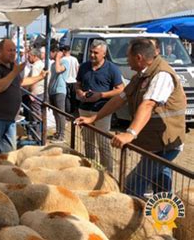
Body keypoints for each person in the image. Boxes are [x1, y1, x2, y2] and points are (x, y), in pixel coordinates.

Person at [75, 38, 186, 197]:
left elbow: (148, 104)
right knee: (161, 185)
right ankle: (162, 219)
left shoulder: (161, 75)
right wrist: (94, 118)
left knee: (133, 185)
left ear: (139, 57)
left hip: (166, 142)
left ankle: (133, 218)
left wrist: (130, 133)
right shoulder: (141, 76)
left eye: (128, 56)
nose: (126, 60)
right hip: (155, 142)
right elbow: (120, 98)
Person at [0, 39, 47, 156]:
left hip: (9, 118)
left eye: (14, 50)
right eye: (9, 50)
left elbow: (20, 82)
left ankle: (4, 173)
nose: (13, 53)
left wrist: (40, 77)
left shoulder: (11, 67)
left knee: (9, 155)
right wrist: (15, 72)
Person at [75, 39, 124, 172]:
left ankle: (107, 172)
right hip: (84, 109)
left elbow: (120, 89)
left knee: (103, 143)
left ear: (104, 53)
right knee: (88, 142)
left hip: (102, 111)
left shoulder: (112, 68)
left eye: (95, 53)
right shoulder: (84, 66)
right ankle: (91, 169)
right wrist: (79, 92)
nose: (92, 55)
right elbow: (77, 83)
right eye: (91, 52)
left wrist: (101, 95)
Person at [22, 46, 46, 140]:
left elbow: (34, 80)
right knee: (39, 114)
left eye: (29, 56)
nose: (28, 58)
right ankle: (39, 135)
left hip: (36, 93)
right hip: (41, 92)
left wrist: (31, 93)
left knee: (35, 115)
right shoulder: (42, 64)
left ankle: (37, 136)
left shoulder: (36, 66)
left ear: (35, 56)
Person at [48, 45, 69, 143]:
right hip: (52, 90)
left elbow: (58, 70)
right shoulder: (53, 64)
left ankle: (62, 135)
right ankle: (58, 132)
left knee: (60, 113)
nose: (49, 55)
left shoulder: (64, 62)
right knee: (55, 113)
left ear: (54, 52)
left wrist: (57, 58)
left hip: (60, 90)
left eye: (50, 52)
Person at [61, 45, 80, 116]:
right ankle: (73, 110)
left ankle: (68, 111)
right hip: (74, 80)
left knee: (67, 97)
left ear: (63, 51)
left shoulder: (63, 59)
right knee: (73, 96)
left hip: (66, 80)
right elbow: (77, 69)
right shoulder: (74, 59)